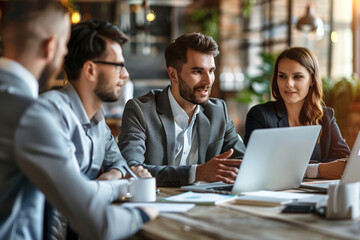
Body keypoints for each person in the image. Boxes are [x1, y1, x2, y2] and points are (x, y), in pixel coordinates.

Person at [0, 1, 157, 240]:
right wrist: (147, 211)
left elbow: (120, 166)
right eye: (64, 45)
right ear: (51, 45)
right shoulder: (33, 114)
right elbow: (99, 224)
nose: (65, 55)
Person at [118, 32, 246, 187]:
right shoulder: (140, 111)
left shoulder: (218, 112)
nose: (208, 81)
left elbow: (243, 162)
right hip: (158, 203)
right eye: (197, 72)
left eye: (211, 71)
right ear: (173, 75)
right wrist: (196, 173)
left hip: (207, 202)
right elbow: (131, 170)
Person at [41, 20, 150, 180]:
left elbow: (119, 162)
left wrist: (111, 176)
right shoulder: (52, 114)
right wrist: (113, 184)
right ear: (90, 70)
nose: (125, 75)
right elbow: (74, 190)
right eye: (118, 66)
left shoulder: (97, 119)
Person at [244, 47, 350, 180]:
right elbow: (257, 167)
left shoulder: (326, 117)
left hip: (320, 194)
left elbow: (345, 163)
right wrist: (317, 170)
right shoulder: (260, 116)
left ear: (311, 80)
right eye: (282, 76)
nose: (289, 84)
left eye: (297, 77)